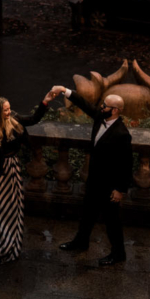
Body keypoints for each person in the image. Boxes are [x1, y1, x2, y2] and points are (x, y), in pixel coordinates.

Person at [0, 88, 60, 264]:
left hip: (12, 170)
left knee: (12, 209)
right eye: (5, 110)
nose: (9, 112)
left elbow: (33, 119)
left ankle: (10, 245)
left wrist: (45, 101)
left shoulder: (14, 120)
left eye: (9, 108)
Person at [59, 88, 133, 266]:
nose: (101, 107)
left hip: (109, 185)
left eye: (105, 106)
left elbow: (126, 164)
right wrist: (65, 91)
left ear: (115, 110)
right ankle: (81, 241)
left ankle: (118, 253)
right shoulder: (101, 117)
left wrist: (120, 189)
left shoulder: (122, 134)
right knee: (87, 213)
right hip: (94, 180)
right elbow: (85, 105)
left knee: (112, 220)